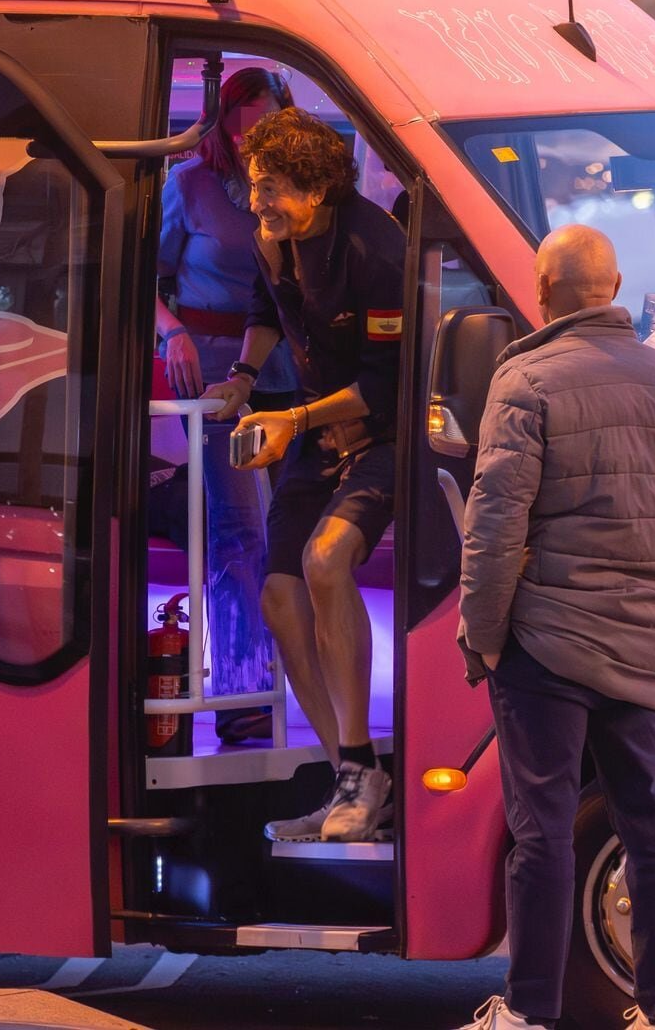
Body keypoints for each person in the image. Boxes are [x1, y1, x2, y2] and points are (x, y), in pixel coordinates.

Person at [453, 225, 655, 1030]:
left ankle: (528, 1013)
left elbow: (494, 523)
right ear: (615, 290)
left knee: (542, 835)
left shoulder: (525, 379)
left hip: (546, 642)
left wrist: (482, 634)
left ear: (543, 291)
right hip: (642, 644)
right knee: (652, 830)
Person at [205, 107, 403, 842]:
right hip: (317, 431)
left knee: (325, 562)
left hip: (382, 434)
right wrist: (242, 376)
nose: (256, 201)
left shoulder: (376, 251)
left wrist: (293, 418)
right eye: (253, 184)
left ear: (316, 189)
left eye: (271, 187)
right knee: (280, 598)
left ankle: (359, 773)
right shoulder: (273, 239)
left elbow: (385, 384)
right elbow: (265, 308)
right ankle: (354, 775)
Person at [156, 67, 299, 727]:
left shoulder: (291, 189)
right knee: (239, 527)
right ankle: (242, 695)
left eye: (264, 129)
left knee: (287, 528)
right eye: (242, 129)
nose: (250, 142)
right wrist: (174, 333)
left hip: (285, 369)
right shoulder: (189, 184)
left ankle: (283, 679)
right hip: (213, 370)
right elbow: (143, 280)